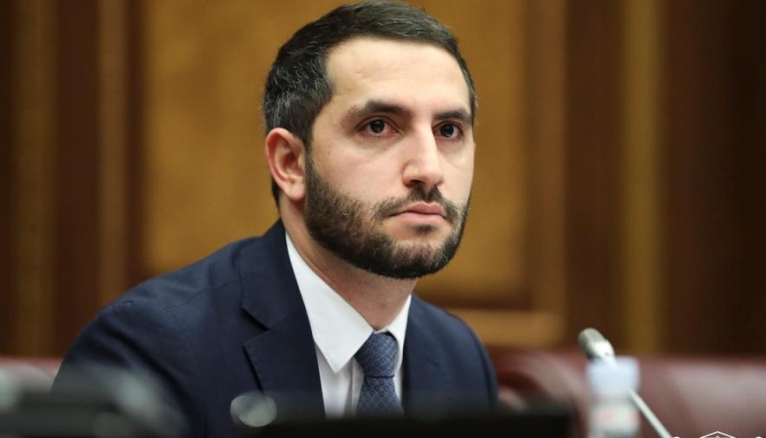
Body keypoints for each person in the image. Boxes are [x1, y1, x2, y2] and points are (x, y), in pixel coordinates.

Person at [52, 1, 499, 436]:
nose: (429, 169)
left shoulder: (460, 358)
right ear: (290, 163)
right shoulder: (152, 348)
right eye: (378, 126)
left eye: (449, 131)